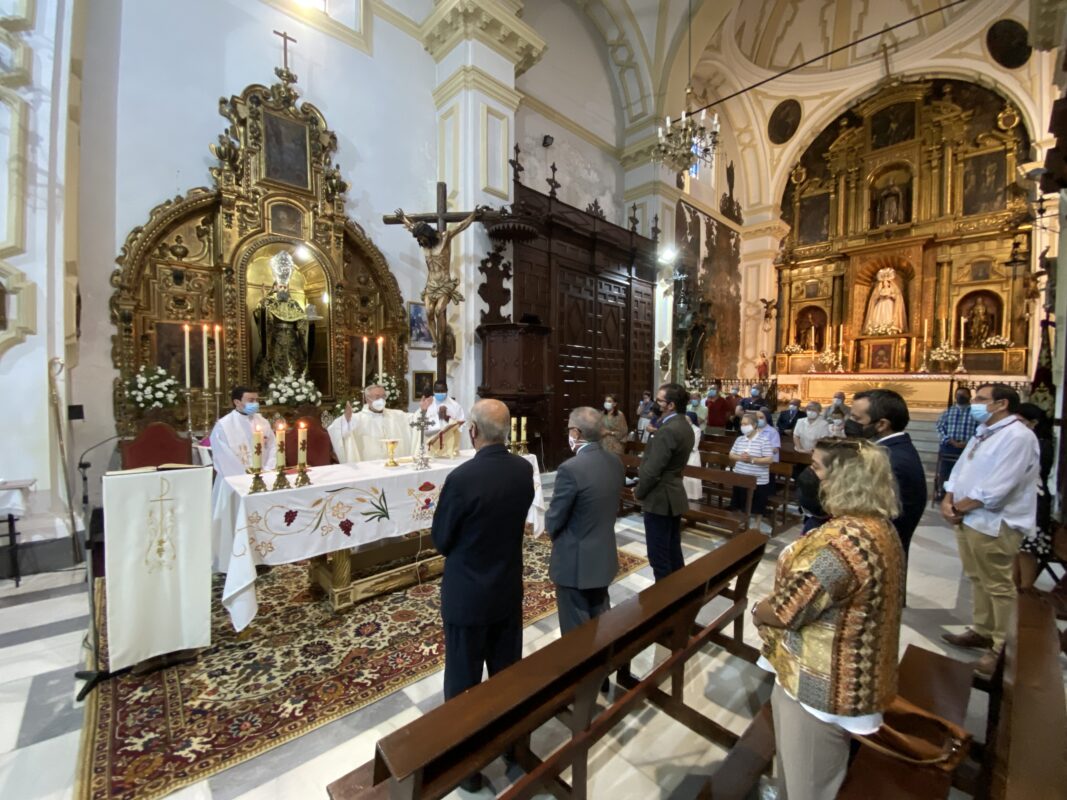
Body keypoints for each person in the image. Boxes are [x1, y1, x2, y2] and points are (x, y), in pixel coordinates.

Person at [752, 439, 904, 800]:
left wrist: (759, 611)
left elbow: (789, 609)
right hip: (851, 672)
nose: (809, 475)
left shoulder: (839, 544)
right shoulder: (875, 525)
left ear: (844, 478)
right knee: (799, 768)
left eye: (817, 467)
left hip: (823, 685)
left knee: (810, 783)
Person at [430, 398, 535, 794]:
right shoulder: (523, 468)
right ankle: (511, 747)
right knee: (507, 674)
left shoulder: (462, 479)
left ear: (472, 431)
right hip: (506, 587)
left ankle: (467, 767)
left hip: (467, 594)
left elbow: (442, 540)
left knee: (463, 680)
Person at [940, 383, 1040, 677]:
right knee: (976, 578)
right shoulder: (985, 432)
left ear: (1002, 404)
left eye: (981, 399)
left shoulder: (1018, 437)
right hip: (969, 519)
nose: (974, 403)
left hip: (995, 523)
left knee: (998, 584)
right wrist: (948, 498)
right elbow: (959, 471)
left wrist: (959, 507)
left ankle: (1001, 646)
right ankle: (983, 630)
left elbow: (999, 488)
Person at [546, 407, 624, 640]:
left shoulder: (571, 469)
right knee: (601, 620)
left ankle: (585, 677)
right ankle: (601, 673)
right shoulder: (614, 461)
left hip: (576, 562)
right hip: (604, 554)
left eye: (569, 428)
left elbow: (554, 518)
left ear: (576, 432)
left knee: (576, 635)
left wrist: (551, 528)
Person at [847, 389, 927, 569]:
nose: (851, 424)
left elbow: (872, 516)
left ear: (881, 424)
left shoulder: (891, 460)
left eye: (857, 419)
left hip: (879, 556)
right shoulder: (891, 450)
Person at [635, 383, 694, 581]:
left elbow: (653, 470)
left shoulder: (668, 430)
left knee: (658, 555)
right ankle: (679, 590)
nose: (655, 404)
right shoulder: (684, 425)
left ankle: (665, 602)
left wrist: (640, 492)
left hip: (660, 497)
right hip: (673, 494)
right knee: (672, 550)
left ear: (671, 405)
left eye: (659, 400)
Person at [1012, 403, 1054, 590]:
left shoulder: (1042, 444)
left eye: (1020, 421)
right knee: (1015, 547)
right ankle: (1014, 586)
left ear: (1033, 423)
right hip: (1018, 497)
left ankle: (1027, 589)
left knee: (1027, 549)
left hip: (1034, 499)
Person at [326, 384, 412, 462]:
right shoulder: (357, 418)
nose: (381, 400)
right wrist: (345, 420)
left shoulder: (396, 415)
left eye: (383, 397)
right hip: (369, 466)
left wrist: (423, 410)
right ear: (367, 399)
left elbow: (415, 420)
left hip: (394, 465)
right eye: (377, 397)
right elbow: (337, 430)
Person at [210, 386, 277, 480]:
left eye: (256, 400)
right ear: (237, 402)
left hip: (264, 475)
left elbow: (273, 446)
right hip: (235, 479)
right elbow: (223, 456)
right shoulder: (224, 426)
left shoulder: (262, 422)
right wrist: (244, 476)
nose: (255, 403)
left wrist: (268, 470)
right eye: (251, 400)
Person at [728, 412, 774, 521]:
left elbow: (769, 459)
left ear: (754, 425)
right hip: (740, 476)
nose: (743, 427)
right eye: (742, 424)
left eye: (745, 424)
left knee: (758, 505)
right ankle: (740, 522)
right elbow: (731, 454)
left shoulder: (764, 440)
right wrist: (741, 458)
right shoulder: (739, 439)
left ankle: (756, 527)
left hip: (758, 479)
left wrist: (752, 459)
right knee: (739, 502)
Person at [935, 387, 978, 499]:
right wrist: (949, 440)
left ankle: (960, 494)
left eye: (963, 395)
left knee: (965, 472)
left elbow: (980, 430)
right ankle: (942, 492)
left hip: (969, 447)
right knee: (945, 470)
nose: (960, 397)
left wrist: (969, 443)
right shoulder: (949, 411)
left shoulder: (975, 413)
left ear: (969, 396)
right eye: (958, 394)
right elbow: (940, 427)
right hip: (949, 446)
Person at [599, 393, 628, 457]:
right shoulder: (602, 414)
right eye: (606, 401)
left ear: (614, 404)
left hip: (615, 445)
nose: (607, 403)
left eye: (609, 401)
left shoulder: (619, 415)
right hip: (603, 443)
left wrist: (610, 432)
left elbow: (623, 432)